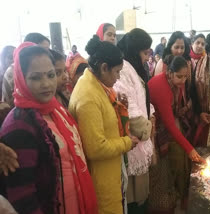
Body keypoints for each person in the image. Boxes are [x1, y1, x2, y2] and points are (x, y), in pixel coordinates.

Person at [0, 42, 97, 214]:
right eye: (36, 77)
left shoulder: (55, 110)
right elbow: (22, 194)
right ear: (21, 78)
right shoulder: (19, 124)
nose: (46, 84)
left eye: (51, 75)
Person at [69, 35, 139, 214]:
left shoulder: (96, 85)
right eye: (116, 72)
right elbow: (96, 147)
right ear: (104, 67)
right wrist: (127, 143)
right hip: (101, 179)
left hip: (109, 172)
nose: (117, 79)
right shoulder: (88, 96)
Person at [148, 55, 204, 214]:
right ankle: (166, 204)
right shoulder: (162, 87)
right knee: (166, 169)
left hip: (162, 128)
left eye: (186, 77)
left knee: (181, 159)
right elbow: (171, 126)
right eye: (179, 76)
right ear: (170, 73)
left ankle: (180, 195)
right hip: (154, 133)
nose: (183, 81)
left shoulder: (173, 84)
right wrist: (190, 150)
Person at [114, 28, 154, 214]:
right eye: (145, 53)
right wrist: (148, 128)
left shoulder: (134, 67)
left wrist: (151, 115)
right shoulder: (122, 70)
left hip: (141, 138)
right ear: (135, 49)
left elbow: (144, 98)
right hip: (133, 143)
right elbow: (130, 110)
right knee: (133, 201)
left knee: (141, 198)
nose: (147, 58)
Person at [2, 33, 50, 107]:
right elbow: (14, 103)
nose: (48, 54)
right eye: (44, 50)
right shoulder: (14, 71)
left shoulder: (44, 67)